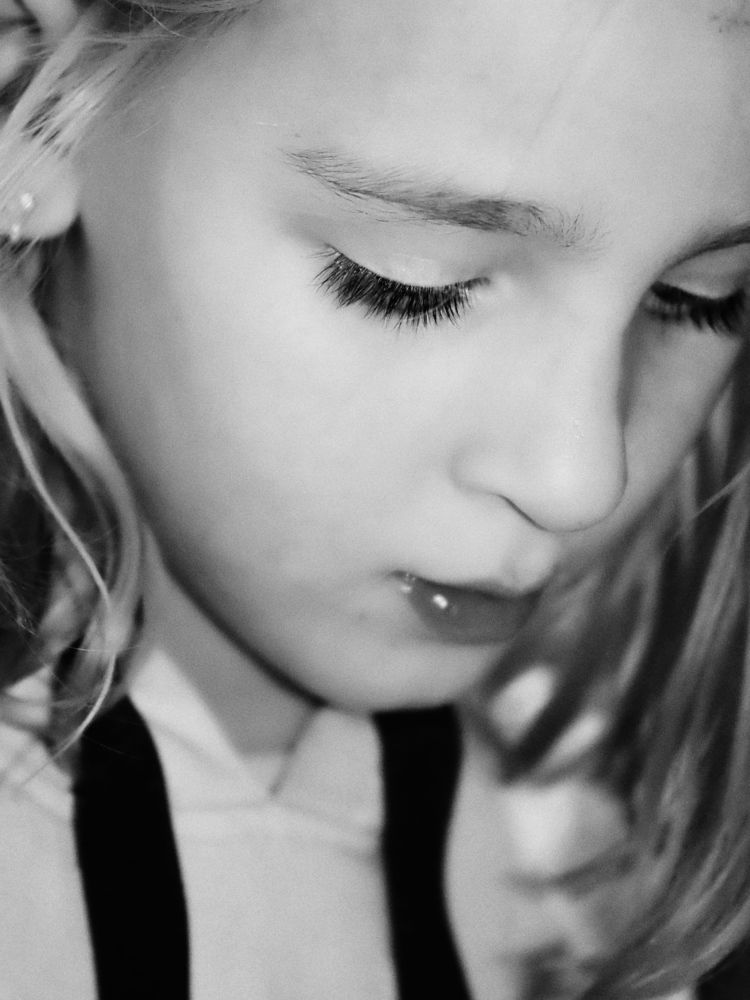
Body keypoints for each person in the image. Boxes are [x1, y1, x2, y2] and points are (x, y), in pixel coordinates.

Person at [0, 0, 748, 997]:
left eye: (696, 299)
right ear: (32, 96)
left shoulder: (581, 836)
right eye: (414, 285)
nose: (580, 479)